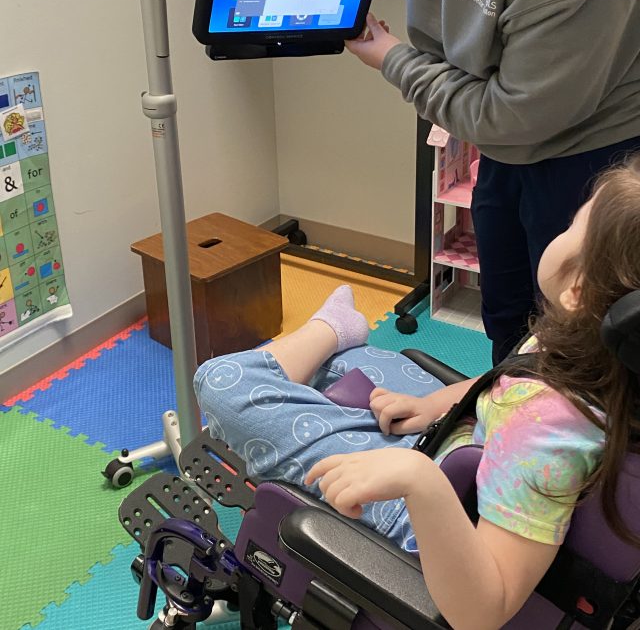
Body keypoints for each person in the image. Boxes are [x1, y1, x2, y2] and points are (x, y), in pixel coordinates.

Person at [190, 0, 640, 365]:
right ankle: (492, 412)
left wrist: (392, 58)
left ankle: (549, 435)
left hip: (584, 146)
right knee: (505, 308)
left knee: (572, 334)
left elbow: (513, 116)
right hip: (507, 129)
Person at [194, 156, 640, 630]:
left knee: (220, 381)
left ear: (577, 285)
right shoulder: (601, 353)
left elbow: (483, 611)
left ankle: (328, 330)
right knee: (350, 367)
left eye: (575, 223)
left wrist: (418, 480)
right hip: (457, 449)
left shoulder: (545, 434)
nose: (565, 228)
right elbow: (520, 377)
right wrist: (432, 405)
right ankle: (334, 340)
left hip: (427, 525)